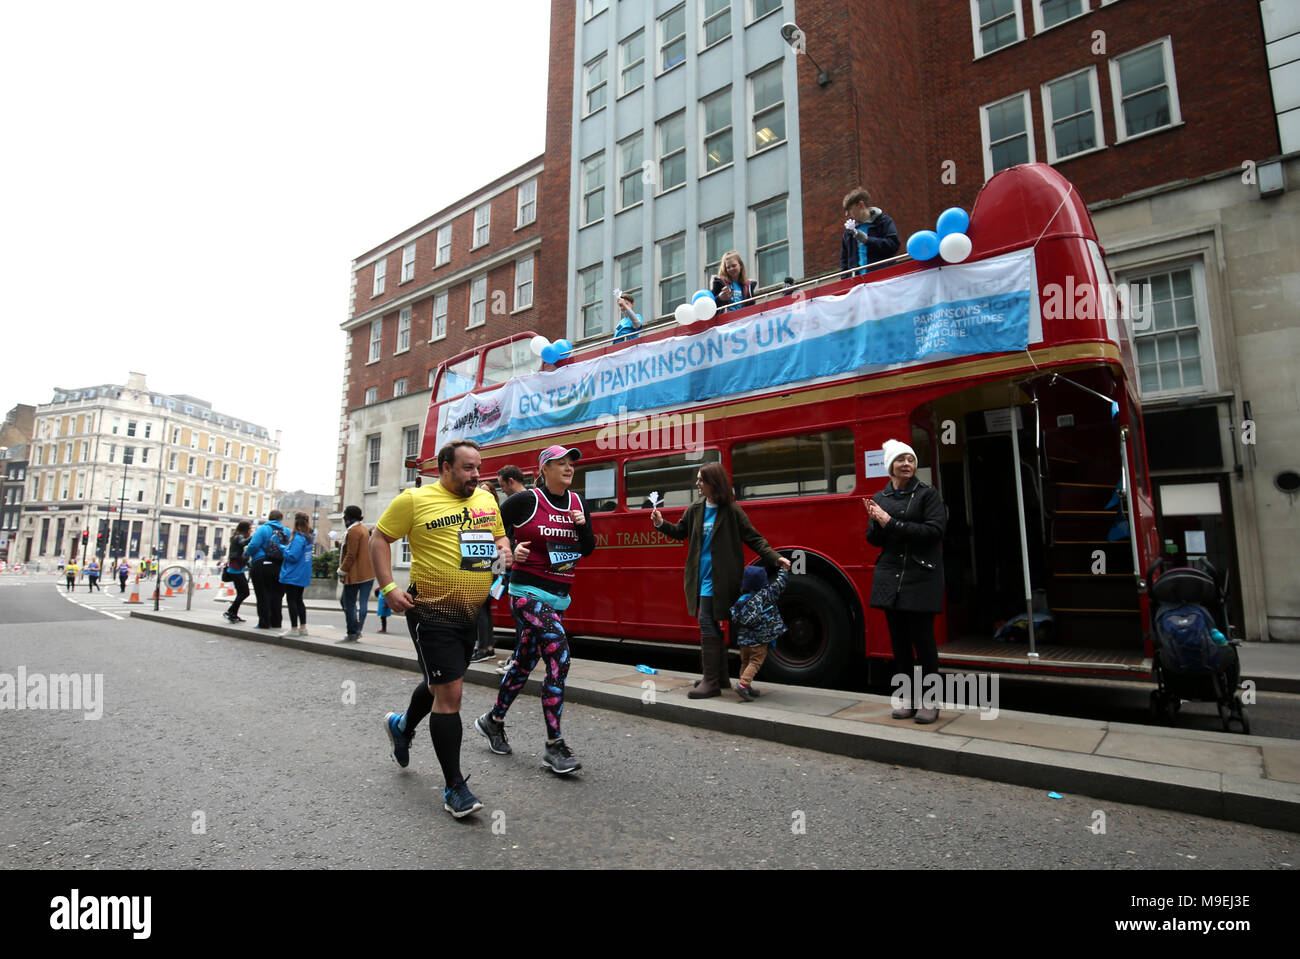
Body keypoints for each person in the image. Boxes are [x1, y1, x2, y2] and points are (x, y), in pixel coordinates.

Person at [375, 439, 512, 820]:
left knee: (440, 684)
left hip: (469, 613)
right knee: (450, 693)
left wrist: (505, 550)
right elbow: (379, 538)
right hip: (430, 610)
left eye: (479, 467)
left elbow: (498, 536)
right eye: (468, 467)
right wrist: (388, 588)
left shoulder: (486, 501)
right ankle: (455, 787)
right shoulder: (414, 501)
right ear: (444, 467)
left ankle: (402, 726)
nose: (476, 475)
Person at [475, 445, 596, 774]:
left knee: (525, 662)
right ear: (545, 469)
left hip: (557, 598)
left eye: (571, 463)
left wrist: (583, 524)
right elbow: (489, 533)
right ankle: (554, 746)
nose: (569, 468)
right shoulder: (527, 501)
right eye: (561, 463)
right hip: (526, 594)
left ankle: (493, 720)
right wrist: (512, 549)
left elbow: (587, 548)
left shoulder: (577, 502)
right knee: (559, 654)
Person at [652, 463, 791, 699]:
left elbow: (754, 538)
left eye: (701, 480)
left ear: (713, 483)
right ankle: (720, 678)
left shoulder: (731, 510)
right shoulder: (695, 508)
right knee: (711, 623)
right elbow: (680, 532)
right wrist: (660, 523)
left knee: (707, 622)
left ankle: (711, 681)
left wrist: (775, 558)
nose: (697, 484)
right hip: (700, 575)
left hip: (721, 578)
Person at [865, 439, 946, 724]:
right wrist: (875, 521)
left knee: (923, 643)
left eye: (911, 459)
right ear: (891, 467)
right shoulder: (882, 497)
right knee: (899, 643)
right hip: (891, 576)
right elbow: (874, 540)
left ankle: (930, 702)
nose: (907, 464)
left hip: (920, 576)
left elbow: (934, 532)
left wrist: (890, 523)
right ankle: (907, 699)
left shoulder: (927, 495)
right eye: (901, 460)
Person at [730, 565, 790, 701]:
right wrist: (784, 570)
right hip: (759, 641)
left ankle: (746, 685)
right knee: (755, 662)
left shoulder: (741, 600)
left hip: (743, 642)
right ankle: (743, 685)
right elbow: (780, 585)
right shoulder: (766, 595)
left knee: (745, 663)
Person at [839, 186, 900, 275]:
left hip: (881, 278)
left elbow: (893, 245)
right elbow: (844, 261)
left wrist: (868, 240)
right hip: (858, 283)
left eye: (850, 209)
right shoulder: (849, 232)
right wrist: (846, 280)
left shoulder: (883, 222)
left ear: (861, 205)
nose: (847, 214)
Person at [245, 510, 289, 629]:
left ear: (269, 518)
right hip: (279, 565)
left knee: (262, 594)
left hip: (261, 564)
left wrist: (246, 553)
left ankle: (264, 622)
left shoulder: (263, 529)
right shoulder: (286, 531)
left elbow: (253, 545)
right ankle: (276, 622)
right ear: (281, 519)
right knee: (277, 595)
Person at [336, 506, 374, 643]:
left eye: (345, 515)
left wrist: (342, 570)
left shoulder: (353, 531)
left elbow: (351, 554)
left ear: (349, 516)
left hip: (355, 574)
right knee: (362, 604)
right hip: (368, 572)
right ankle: (357, 629)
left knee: (348, 603)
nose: (343, 518)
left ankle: (353, 632)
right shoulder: (363, 528)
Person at [278, 512, 314, 636]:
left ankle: (294, 628)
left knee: (291, 600)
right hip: (303, 573)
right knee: (299, 600)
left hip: (293, 573)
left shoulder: (299, 538)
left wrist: (281, 548)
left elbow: (293, 556)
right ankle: (303, 627)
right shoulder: (309, 537)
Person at [223, 520, 252, 623]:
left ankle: (233, 613)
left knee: (241, 592)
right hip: (236, 570)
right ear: (245, 529)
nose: (251, 530)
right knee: (245, 592)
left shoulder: (237, 536)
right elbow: (243, 543)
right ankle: (230, 611)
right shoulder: (239, 536)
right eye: (250, 528)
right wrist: (254, 537)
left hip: (236, 569)